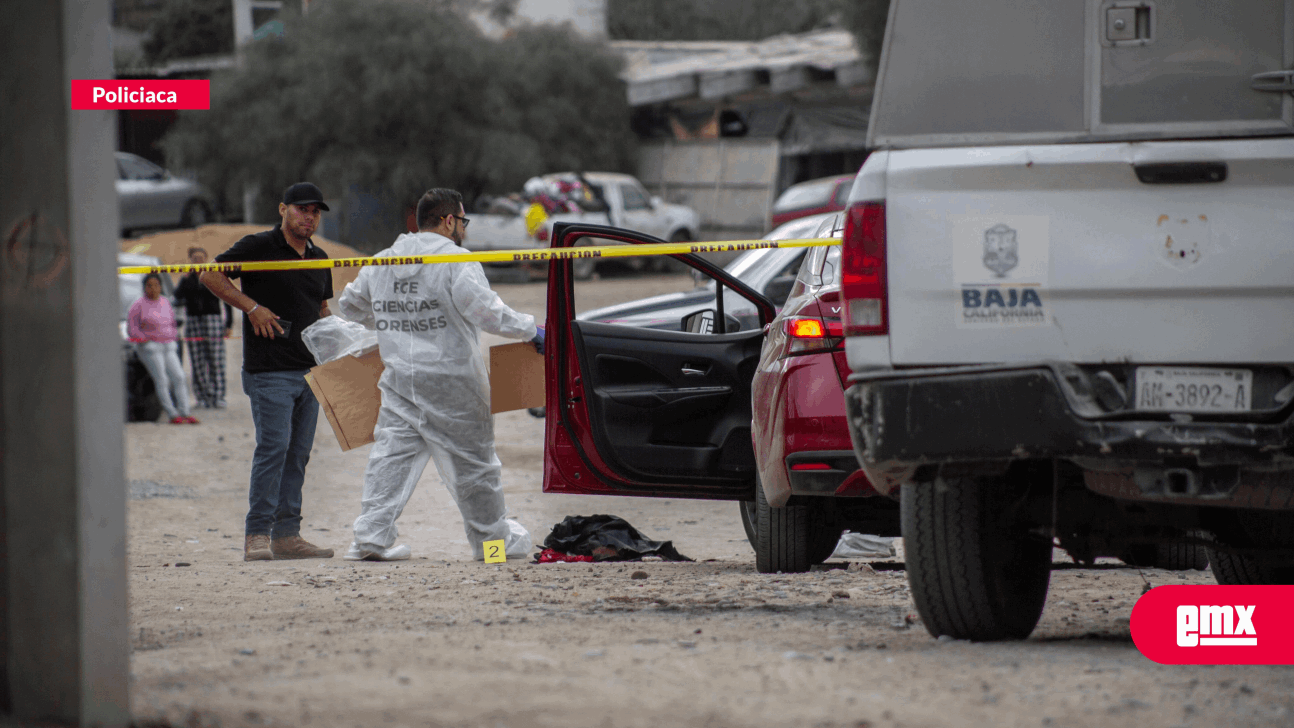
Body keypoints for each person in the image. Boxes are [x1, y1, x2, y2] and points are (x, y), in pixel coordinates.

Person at [337, 188, 543, 562]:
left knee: (390, 459)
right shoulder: (457, 260)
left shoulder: (383, 260)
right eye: (462, 221)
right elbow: (487, 312)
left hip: (402, 381)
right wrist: (531, 330)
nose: (462, 228)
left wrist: (390, 323)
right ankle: (492, 547)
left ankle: (369, 539)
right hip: (454, 383)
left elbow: (350, 305)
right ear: (449, 221)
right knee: (476, 467)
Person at [199, 182, 336, 562]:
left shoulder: (319, 256)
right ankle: (257, 534)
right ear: (283, 209)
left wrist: (341, 342)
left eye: (315, 211)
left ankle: (287, 536)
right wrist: (251, 307)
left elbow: (321, 309)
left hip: (311, 371)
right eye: (301, 209)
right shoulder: (258, 246)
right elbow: (210, 275)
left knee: (298, 454)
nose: (308, 217)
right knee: (274, 449)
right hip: (269, 371)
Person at [128, 273, 199, 425]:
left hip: (168, 345)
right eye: (149, 285)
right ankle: (172, 413)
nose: (153, 289)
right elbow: (132, 329)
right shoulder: (138, 305)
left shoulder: (165, 302)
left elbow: (172, 322)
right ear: (144, 287)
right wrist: (145, 339)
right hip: (151, 348)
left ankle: (185, 411)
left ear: (160, 287)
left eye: (156, 285)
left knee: (179, 377)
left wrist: (172, 335)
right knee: (162, 379)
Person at [173, 246, 234, 409]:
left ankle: (218, 395)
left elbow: (227, 299)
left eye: (201, 258)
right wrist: (184, 280)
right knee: (197, 361)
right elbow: (177, 298)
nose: (198, 261)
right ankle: (202, 397)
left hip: (212, 320)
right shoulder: (187, 279)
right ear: (191, 260)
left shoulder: (215, 275)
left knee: (216, 359)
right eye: (195, 259)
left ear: (206, 259)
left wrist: (228, 324)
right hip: (193, 321)